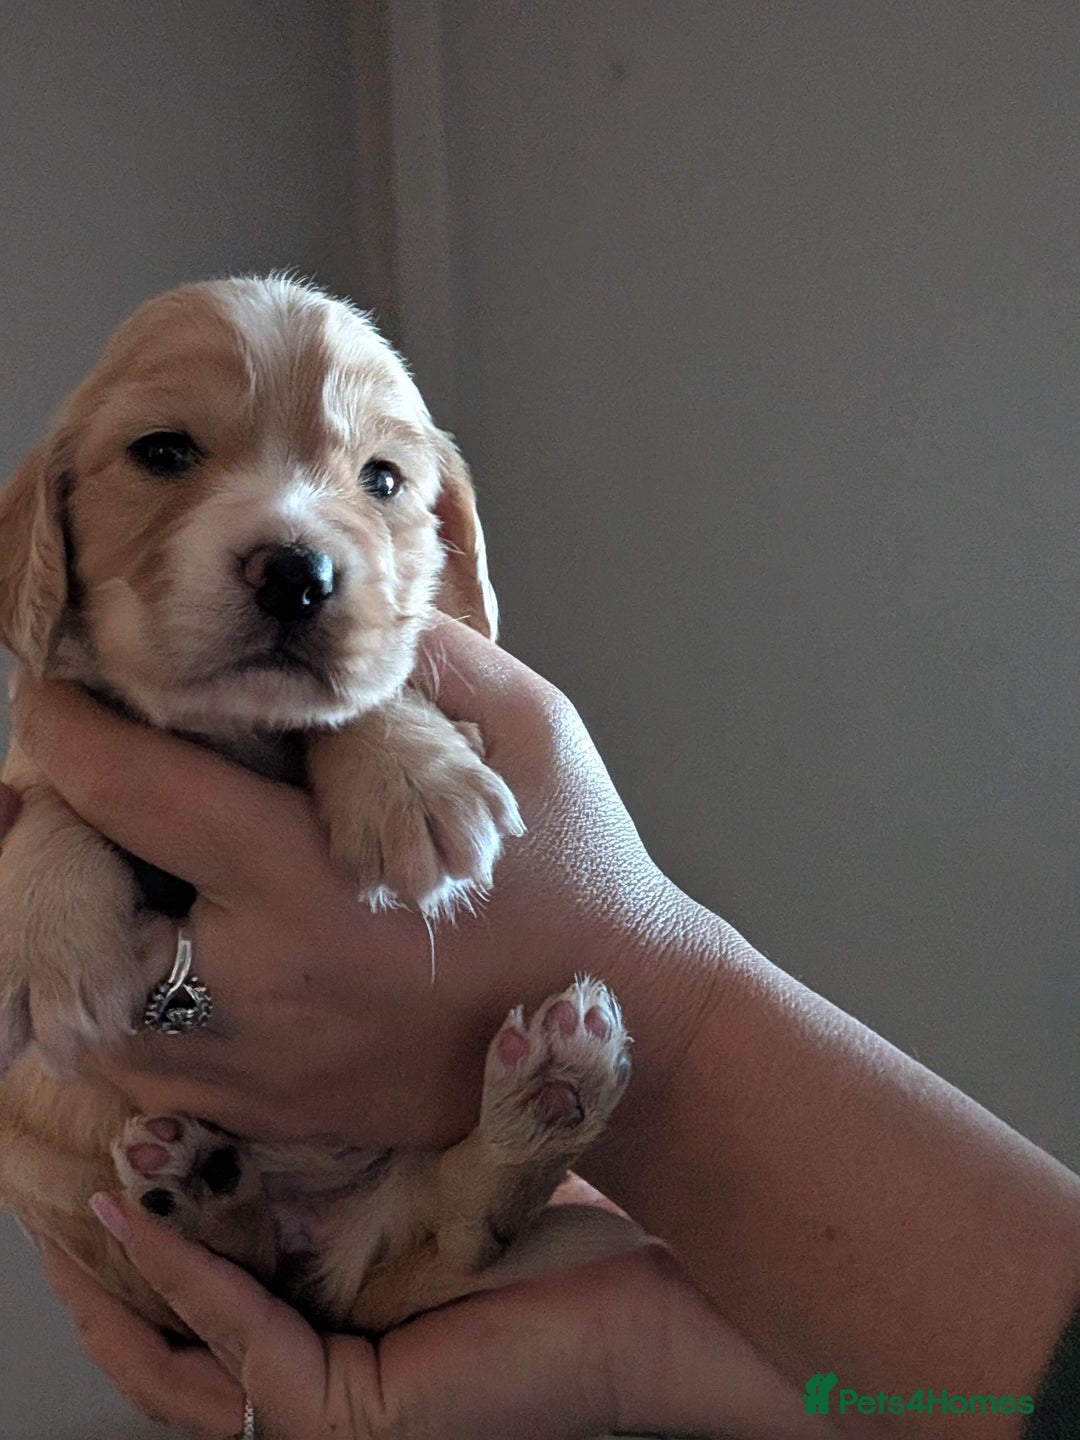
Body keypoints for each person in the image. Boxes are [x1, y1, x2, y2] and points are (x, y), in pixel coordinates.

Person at [2, 617, 1078, 1438]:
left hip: (392, 1206)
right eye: (165, 455)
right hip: (290, 1245)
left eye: (378, 476)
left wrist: (646, 991)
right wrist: (614, 1340)